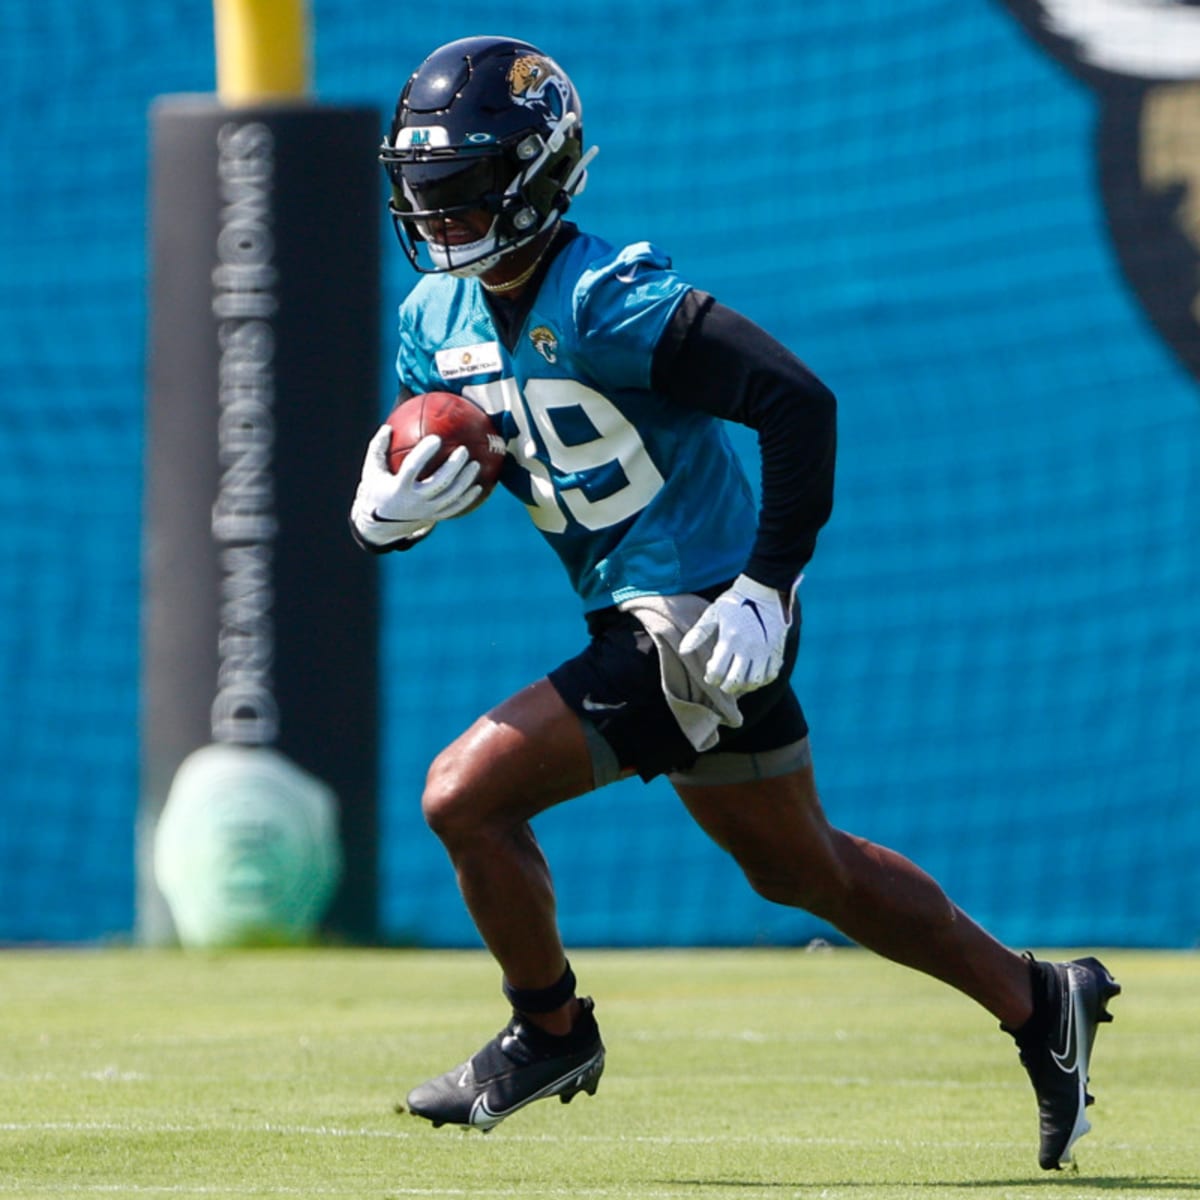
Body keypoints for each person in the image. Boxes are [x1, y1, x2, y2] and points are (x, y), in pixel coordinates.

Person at [350, 35, 1120, 1170]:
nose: (443, 217)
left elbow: (797, 401)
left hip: (702, 615)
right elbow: (502, 454)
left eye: (463, 190)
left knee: (463, 796)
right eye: (424, 193)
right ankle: (1039, 1000)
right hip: (637, 610)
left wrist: (768, 582)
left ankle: (549, 1030)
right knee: (801, 868)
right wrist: (400, 509)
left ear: (535, 175)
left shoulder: (608, 295)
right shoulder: (434, 321)